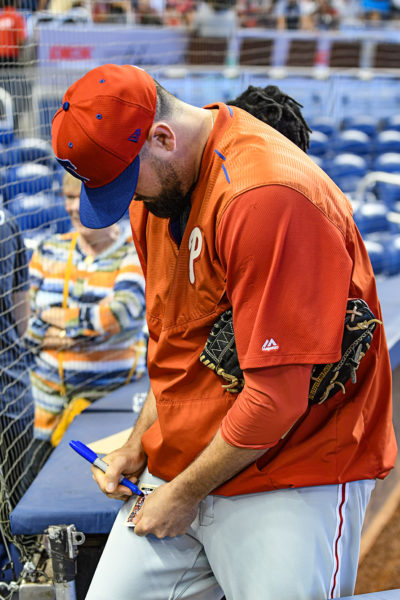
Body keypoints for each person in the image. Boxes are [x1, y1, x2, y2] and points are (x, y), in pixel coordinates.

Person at [51, 64, 397, 600]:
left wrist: (183, 494)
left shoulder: (267, 194)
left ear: (162, 137)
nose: (127, 203)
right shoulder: (156, 194)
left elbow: (278, 398)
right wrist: (139, 444)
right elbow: (170, 339)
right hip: (189, 462)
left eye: (126, 180)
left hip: (293, 468)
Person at [24, 171, 147, 476]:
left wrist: (58, 326)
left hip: (112, 408)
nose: (74, 207)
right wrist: (93, 329)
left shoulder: (134, 250)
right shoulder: (48, 250)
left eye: (82, 198)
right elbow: (29, 322)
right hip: (48, 410)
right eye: (68, 197)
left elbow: (120, 315)